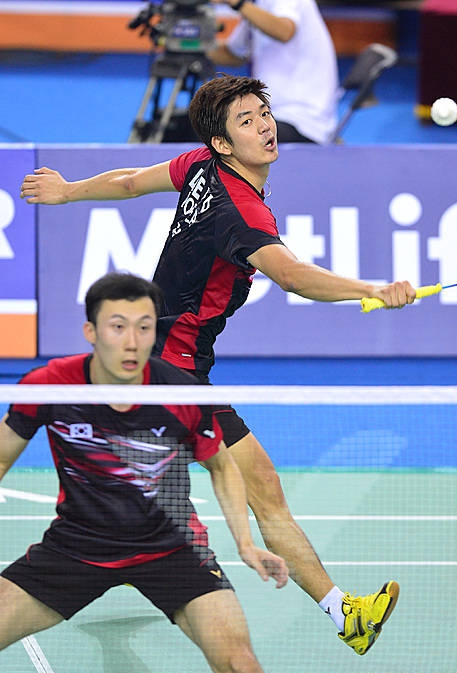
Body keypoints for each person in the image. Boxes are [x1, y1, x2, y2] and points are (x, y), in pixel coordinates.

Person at [19, 74, 416, 656]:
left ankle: (131, 564)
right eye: (246, 121)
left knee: (157, 499)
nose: (264, 126)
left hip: (171, 366)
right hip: (169, 374)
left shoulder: (201, 166)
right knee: (253, 490)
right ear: (223, 143)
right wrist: (373, 290)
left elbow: (130, 182)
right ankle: (344, 614)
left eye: (263, 113)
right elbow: (291, 275)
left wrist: (68, 191)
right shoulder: (240, 211)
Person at [0, 271, 288, 671]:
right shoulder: (51, 386)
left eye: (144, 327)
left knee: (240, 662)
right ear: (91, 331)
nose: (132, 342)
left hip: (173, 549)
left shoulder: (180, 392)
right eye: (118, 327)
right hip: (77, 548)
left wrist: (245, 543)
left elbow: (222, 466)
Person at [208, 0, 339, 144]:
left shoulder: (260, 5)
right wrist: (192, 45)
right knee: (198, 125)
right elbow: (233, 54)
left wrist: (238, 3)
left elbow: (285, 31)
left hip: (302, 122)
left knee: (224, 136)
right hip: (270, 117)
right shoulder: (255, 7)